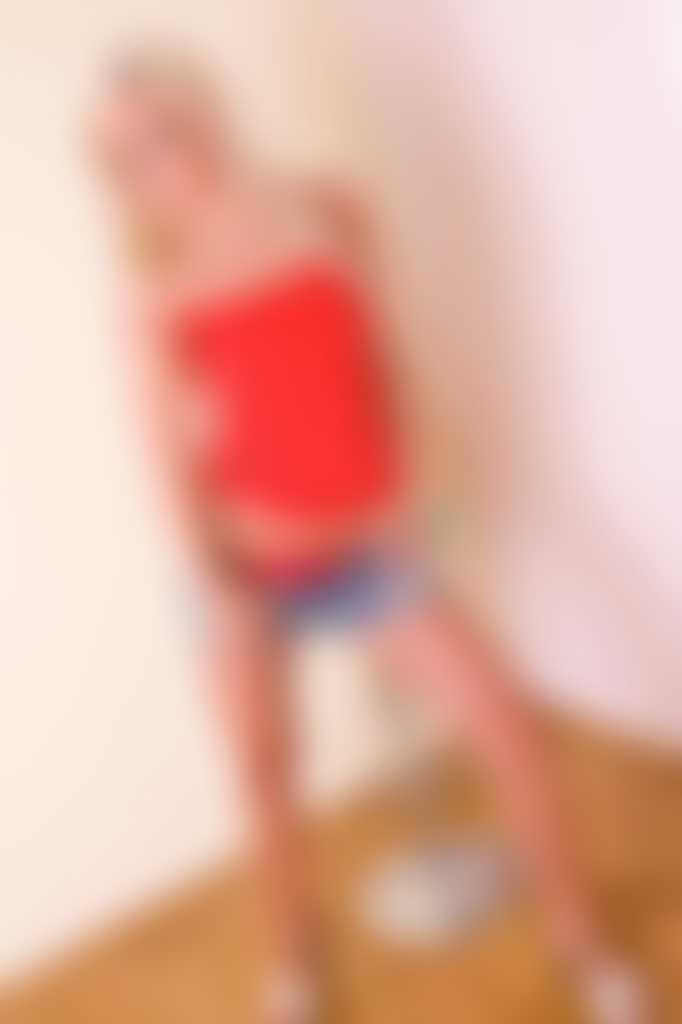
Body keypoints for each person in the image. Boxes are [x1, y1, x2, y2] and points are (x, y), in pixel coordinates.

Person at [89, 44, 647, 1024]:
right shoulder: (156, 286)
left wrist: (404, 493)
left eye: (165, 126)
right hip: (246, 567)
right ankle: (296, 964)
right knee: (265, 774)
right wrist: (218, 583)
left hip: (369, 552)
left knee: (506, 727)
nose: (158, 158)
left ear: (206, 109)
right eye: (128, 153)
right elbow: (170, 462)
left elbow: (381, 363)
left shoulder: (330, 211)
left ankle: (582, 942)